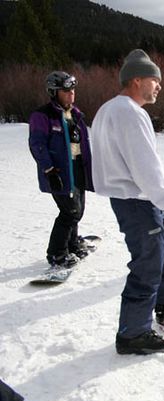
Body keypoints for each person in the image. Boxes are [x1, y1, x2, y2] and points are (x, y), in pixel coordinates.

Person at [90, 49, 164, 355]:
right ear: (136, 80)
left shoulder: (109, 110)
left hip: (136, 198)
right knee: (149, 261)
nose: (159, 86)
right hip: (136, 200)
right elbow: (144, 165)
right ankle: (133, 333)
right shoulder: (128, 112)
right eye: (154, 80)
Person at [28, 71, 94, 268]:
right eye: (66, 91)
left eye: (72, 90)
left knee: (78, 210)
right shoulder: (43, 115)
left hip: (77, 168)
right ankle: (57, 254)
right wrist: (49, 170)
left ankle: (72, 244)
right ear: (54, 92)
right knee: (69, 212)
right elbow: (37, 144)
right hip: (59, 171)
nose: (71, 94)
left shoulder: (75, 114)